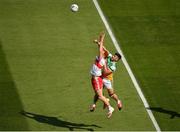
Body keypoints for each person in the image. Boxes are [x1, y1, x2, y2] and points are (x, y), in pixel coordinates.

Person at [90, 37, 122, 112]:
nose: (114, 57)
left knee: (111, 94)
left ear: (117, 60)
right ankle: (94, 104)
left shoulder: (113, 67)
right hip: (101, 77)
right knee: (98, 93)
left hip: (108, 79)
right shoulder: (109, 56)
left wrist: (104, 65)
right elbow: (103, 49)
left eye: (116, 57)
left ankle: (118, 101)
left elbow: (106, 72)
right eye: (114, 56)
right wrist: (98, 42)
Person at [90, 32, 114, 118]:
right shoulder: (102, 60)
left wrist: (102, 38)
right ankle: (106, 101)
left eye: (103, 52)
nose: (102, 51)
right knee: (99, 95)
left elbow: (100, 49)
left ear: (104, 54)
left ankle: (110, 107)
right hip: (98, 78)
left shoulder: (101, 59)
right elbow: (100, 48)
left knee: (99, 96)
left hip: (96, 79)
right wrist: (99, 41)